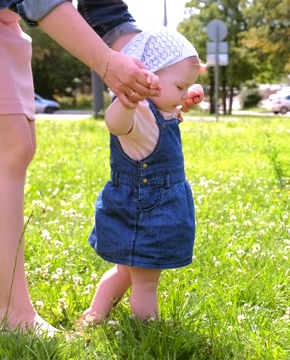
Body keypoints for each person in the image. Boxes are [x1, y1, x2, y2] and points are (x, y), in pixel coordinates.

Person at [0, 0, 160, 335]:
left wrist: (158, 76)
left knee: (15, 150)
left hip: (0, 21)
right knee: (9, 150)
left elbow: (106, 10)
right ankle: (16, 316)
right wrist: (107, 63)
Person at [77, 27, 205, 324]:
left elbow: (168, 108)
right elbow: (116, 124)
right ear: (148, 79)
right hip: (146, 215)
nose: (183, 94)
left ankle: (95, 315)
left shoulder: (160, 109)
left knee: (125, 272)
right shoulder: (136, 114)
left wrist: (184, 97)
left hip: (142, 211)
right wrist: (126, 100)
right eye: (180, 86)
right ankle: (149, 331)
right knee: (145, 283)